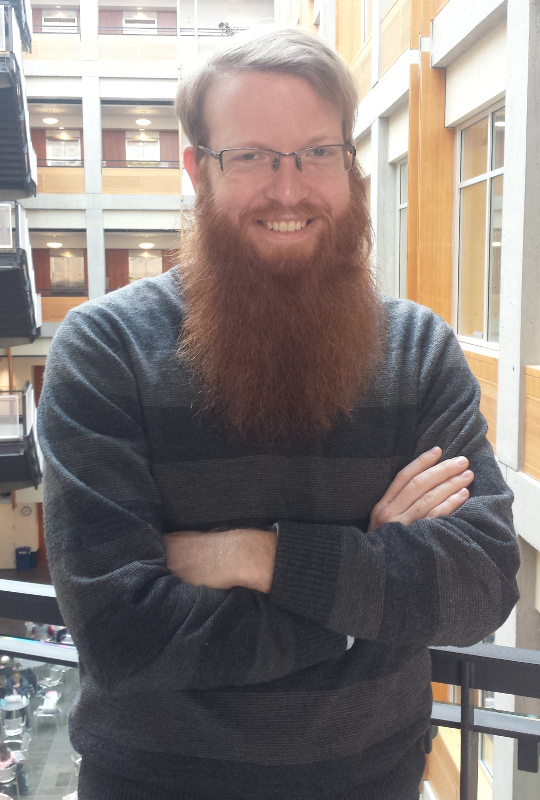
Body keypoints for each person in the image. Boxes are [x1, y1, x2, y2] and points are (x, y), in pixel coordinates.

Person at [38, 28, 520, 800]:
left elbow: (481, 583)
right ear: (198, 170)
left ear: (350, 165)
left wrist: (254, 555)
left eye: (317, 152)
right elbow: (124, 635)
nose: (289, 189)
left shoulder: (418, 350)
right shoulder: (106, 350)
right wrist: (366, 596)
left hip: (377, 782)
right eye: (252, 156)